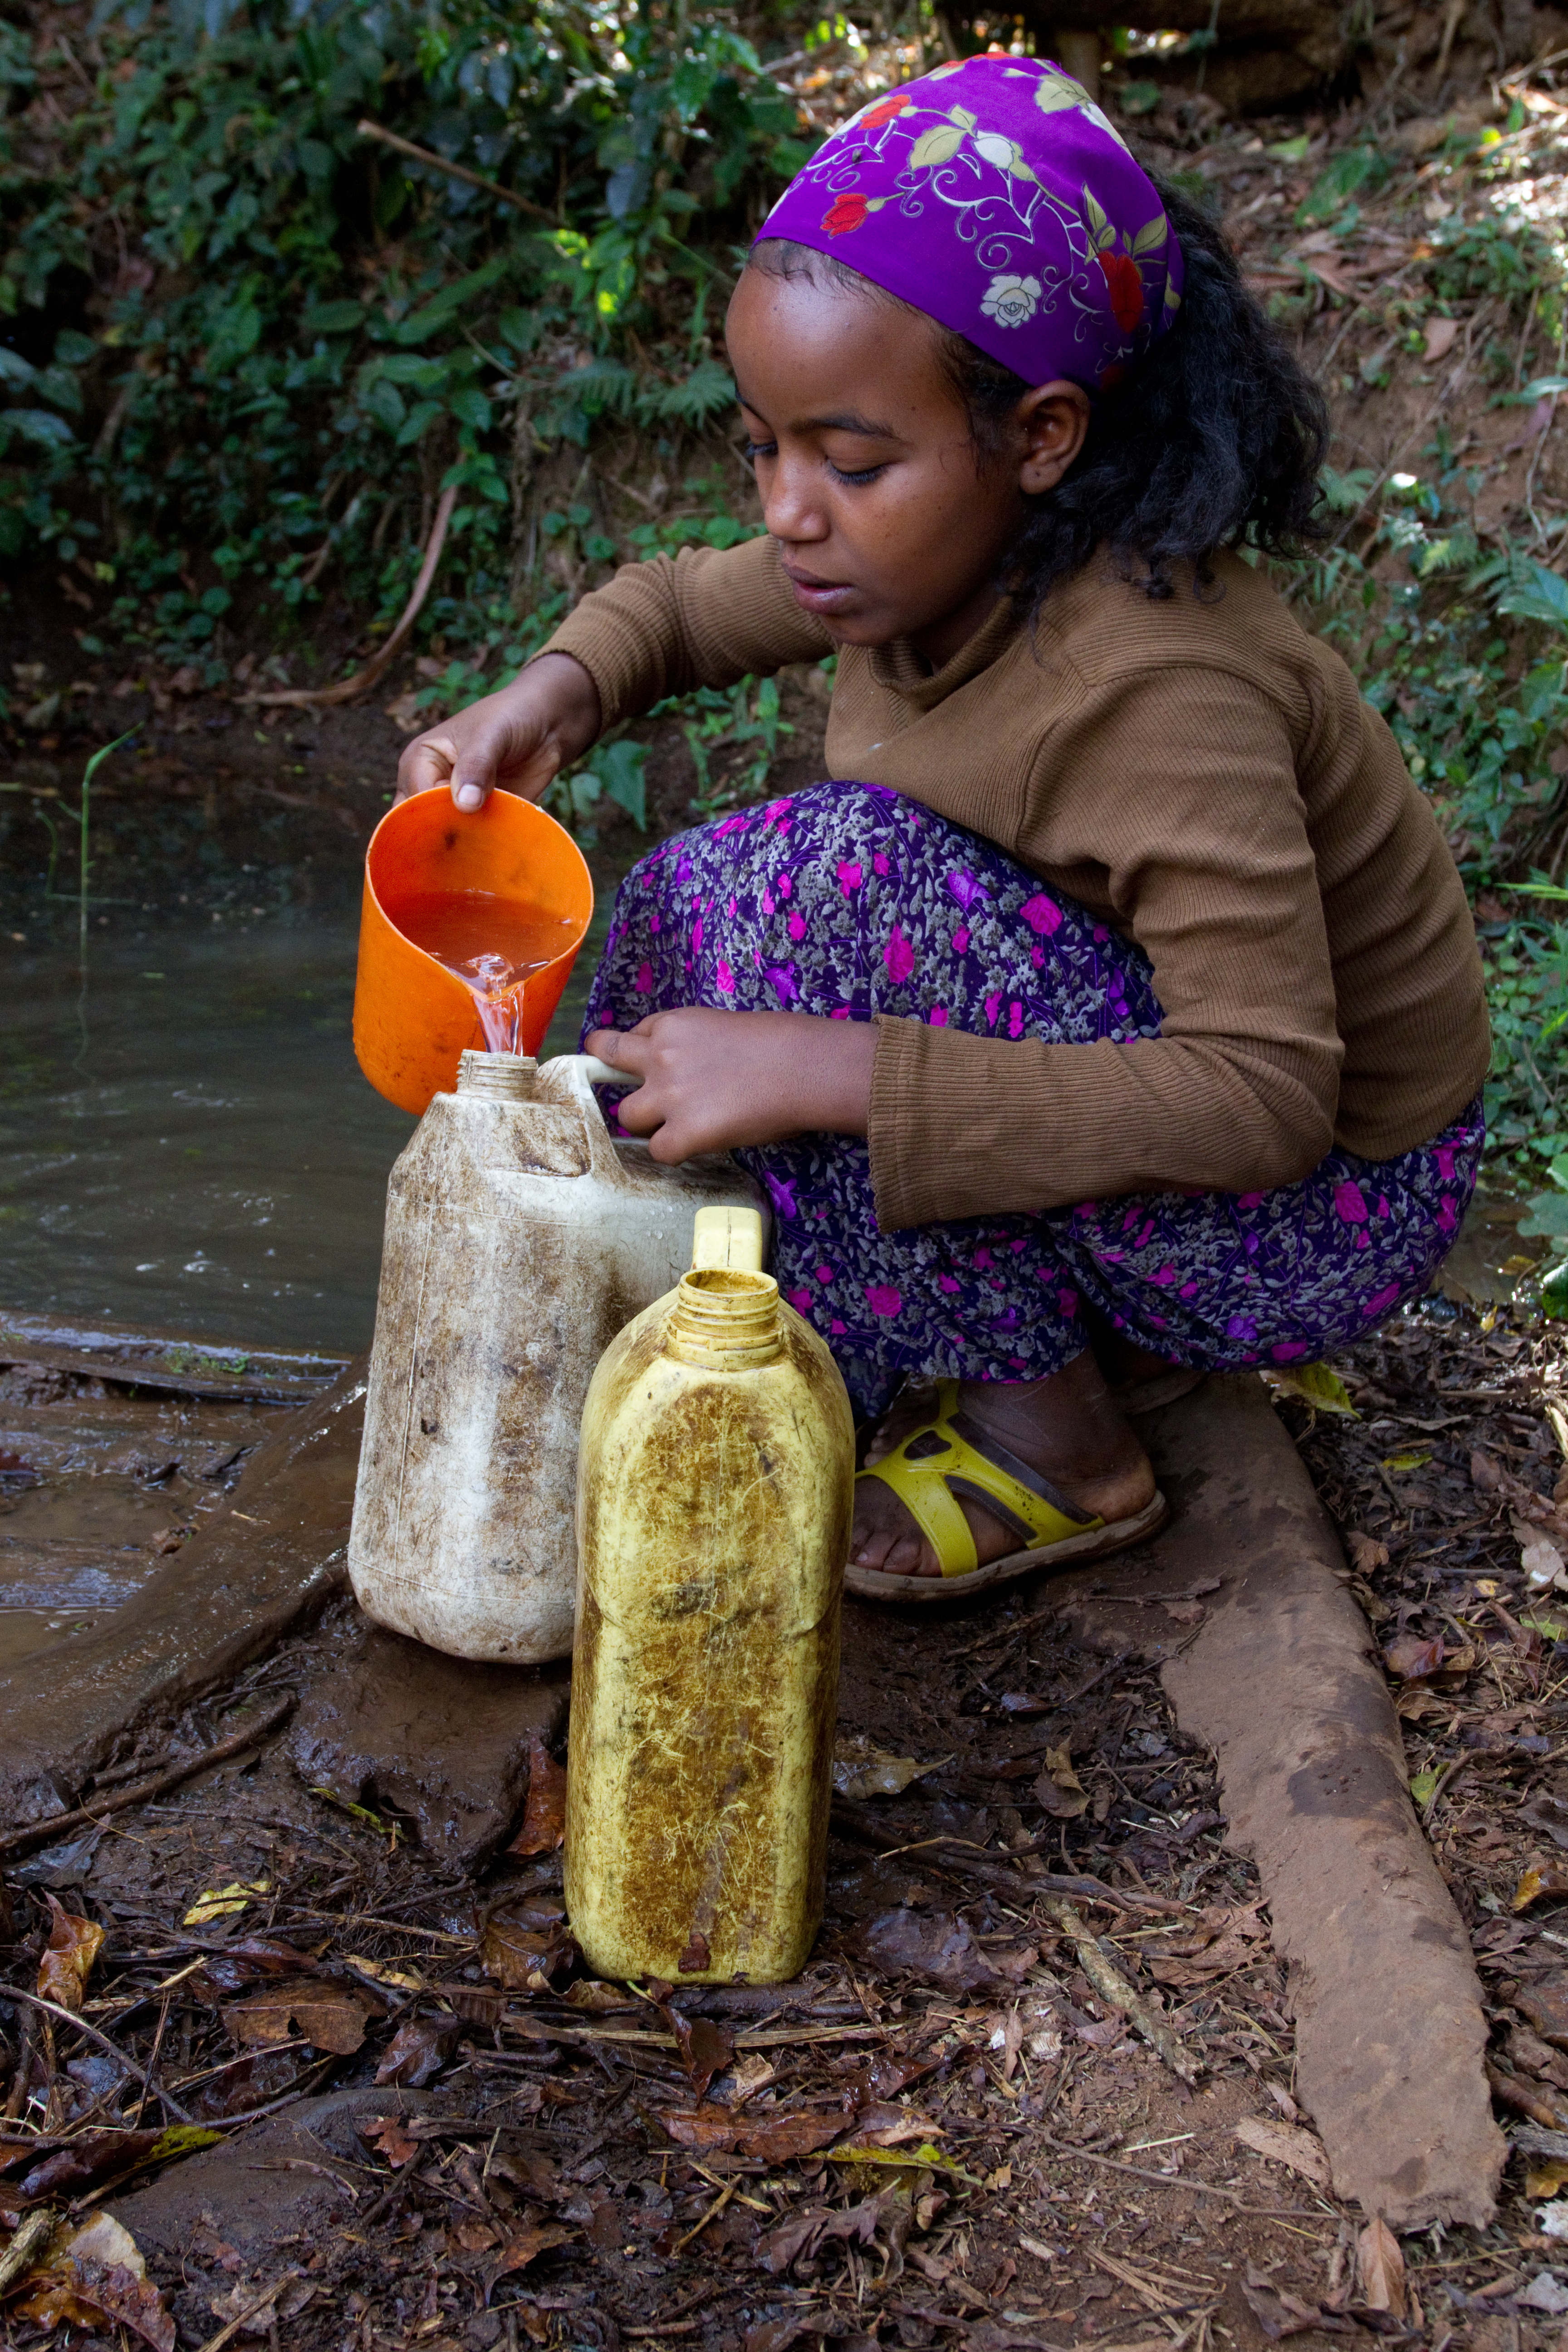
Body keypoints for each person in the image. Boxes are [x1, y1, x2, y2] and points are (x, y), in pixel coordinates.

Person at [394, 54, 1489, 1603]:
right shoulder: (917, 545)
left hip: (1324, 1210)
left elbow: (1266, 1095)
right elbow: (677, 612)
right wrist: (542, 703)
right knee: (684, 920)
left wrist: (829, 1070)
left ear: (1040, 437)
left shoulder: (1158, 684)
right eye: (762, 450)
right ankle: (1007, 1323)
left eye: (845, 461)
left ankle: (1064, 1447)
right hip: (1142, 1087)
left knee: (833, 892)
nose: (789, 508)